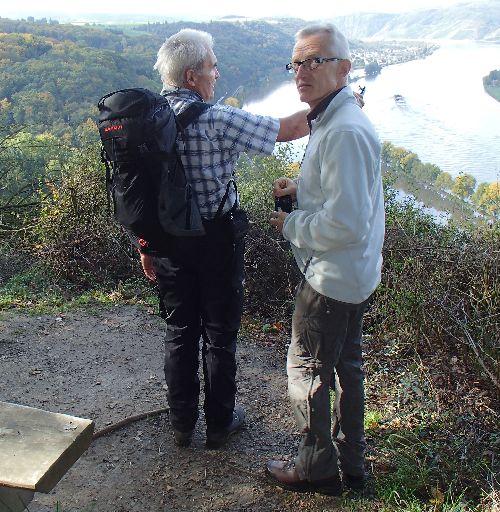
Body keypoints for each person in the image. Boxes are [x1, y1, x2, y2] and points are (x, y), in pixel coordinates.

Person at [140, 28, 310, 449]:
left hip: (168, 244)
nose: (217, 74)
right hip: (216, 241)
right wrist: (337, 102)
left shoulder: (146, 122)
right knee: (219, 334)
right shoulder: (218, 119)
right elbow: (287, 128)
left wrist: (146, 246)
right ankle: (219, 423)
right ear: (193, 76)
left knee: (179, 330)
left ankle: (181, 424)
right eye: (213, 67)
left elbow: (140, 192)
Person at [265, 23, 384, 495]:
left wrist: (289, 223)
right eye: (296, 63)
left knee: (307, 371)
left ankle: (316, 469)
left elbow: (346, 223)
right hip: (354, 274)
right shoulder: (335, 119)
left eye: (315, 60)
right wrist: (302, 189)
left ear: (344, 68)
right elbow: (348, 197)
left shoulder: (344, 131)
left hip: (331, 279)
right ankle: (352, 464)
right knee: (347, 367)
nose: (302, 71)